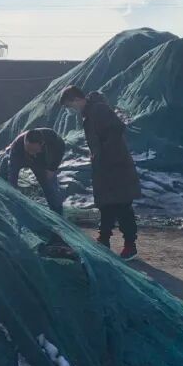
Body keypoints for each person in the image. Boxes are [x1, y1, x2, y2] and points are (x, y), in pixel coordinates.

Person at [58, 85, 141, 260]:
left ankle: (130, 246)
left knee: (122, 205)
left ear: (76, 99)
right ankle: (104, 240)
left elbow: (116, 129)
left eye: (69, 106)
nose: (70, 110)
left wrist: (104, 154)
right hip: (105, 167)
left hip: (116, 166)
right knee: (106, 204)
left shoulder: (98, 109)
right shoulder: (89, 114)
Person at [0, 127, 65, 214]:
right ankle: (2, 196)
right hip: (21, 157)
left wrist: (52, 168)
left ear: (42, 144)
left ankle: (57, 212)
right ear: (25, 143)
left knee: (49, 185)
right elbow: (13, 173)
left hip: (41, 161)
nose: (31, 153)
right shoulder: (17, 147)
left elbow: (60, 147)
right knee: (6, 165)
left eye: (34, 150)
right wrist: (12, 191)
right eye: (29, 149)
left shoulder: (51, 137)